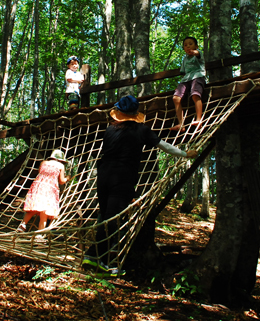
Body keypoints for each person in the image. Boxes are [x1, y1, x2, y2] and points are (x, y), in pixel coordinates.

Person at [82, 95, 197, 276]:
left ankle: (94, 257)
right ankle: (99, 259)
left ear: (118, 113)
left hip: (104, 175)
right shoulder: (141, 130)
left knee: (105, 216)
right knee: (113, 219)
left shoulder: (110, 130)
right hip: (123, 178)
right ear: (135, 114)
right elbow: (164, 146)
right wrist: (184, 154)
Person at [17, 149, 73, 234]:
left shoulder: (43, 163)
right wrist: (67, 178)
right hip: (49, 188)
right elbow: (61, 181)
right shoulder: (60, 166)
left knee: (33, 207)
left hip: (37, 185)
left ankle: (23, 225)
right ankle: (40, 234)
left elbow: (41, 172)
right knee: (45, 211)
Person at [171, 36, 206, 131]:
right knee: (176, 98)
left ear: (196, 46)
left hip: (197, 76)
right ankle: (181, 124)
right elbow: (183, 72)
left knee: (195, 95)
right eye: (185, 45)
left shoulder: (199, 54)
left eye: (190, 44)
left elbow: (198, 54)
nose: (188, 46)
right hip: (186, 79)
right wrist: (179, 88)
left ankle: (199, 119)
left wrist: (194, 52)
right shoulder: (185, 59)